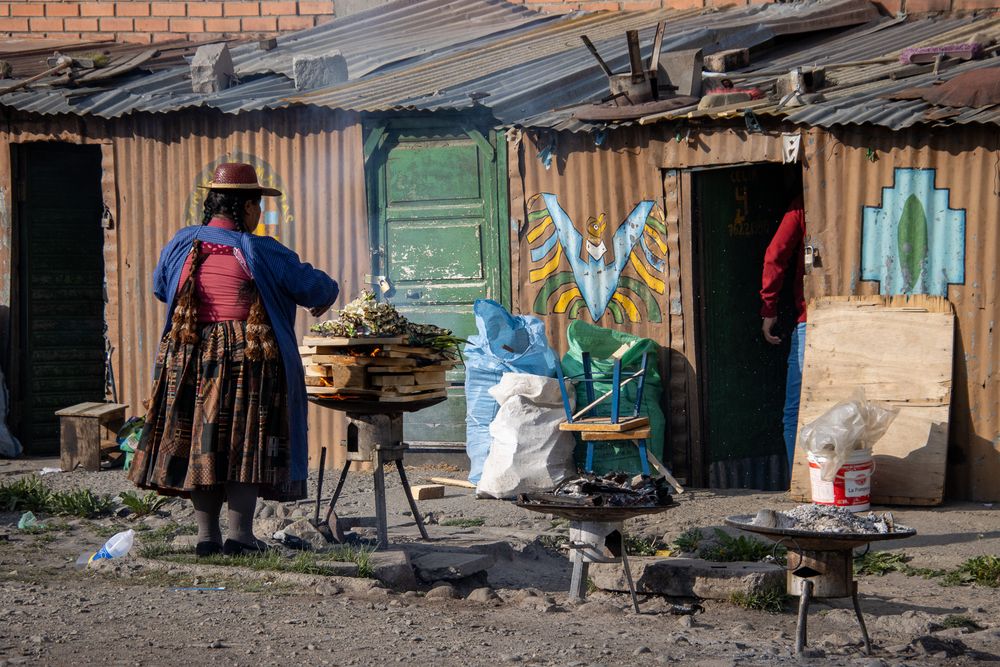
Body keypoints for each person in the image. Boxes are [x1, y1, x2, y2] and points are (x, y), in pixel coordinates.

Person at [128, 163, 339, 557]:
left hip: (187, 355)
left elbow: (162, 287)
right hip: (247, 357)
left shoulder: (181, 243)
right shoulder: (261, 249)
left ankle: (206, 538)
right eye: (256, 204)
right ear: (244, 208)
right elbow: (317, 287)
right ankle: (240, 538)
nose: (258, 213)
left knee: (200, 441)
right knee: (245, 443)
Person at [760, 195, 806, 473]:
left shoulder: (802, 204)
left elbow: (775, 255)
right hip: (857, 321)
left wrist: (769, 309)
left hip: (811, 320)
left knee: (795, 412)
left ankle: (800, 485)